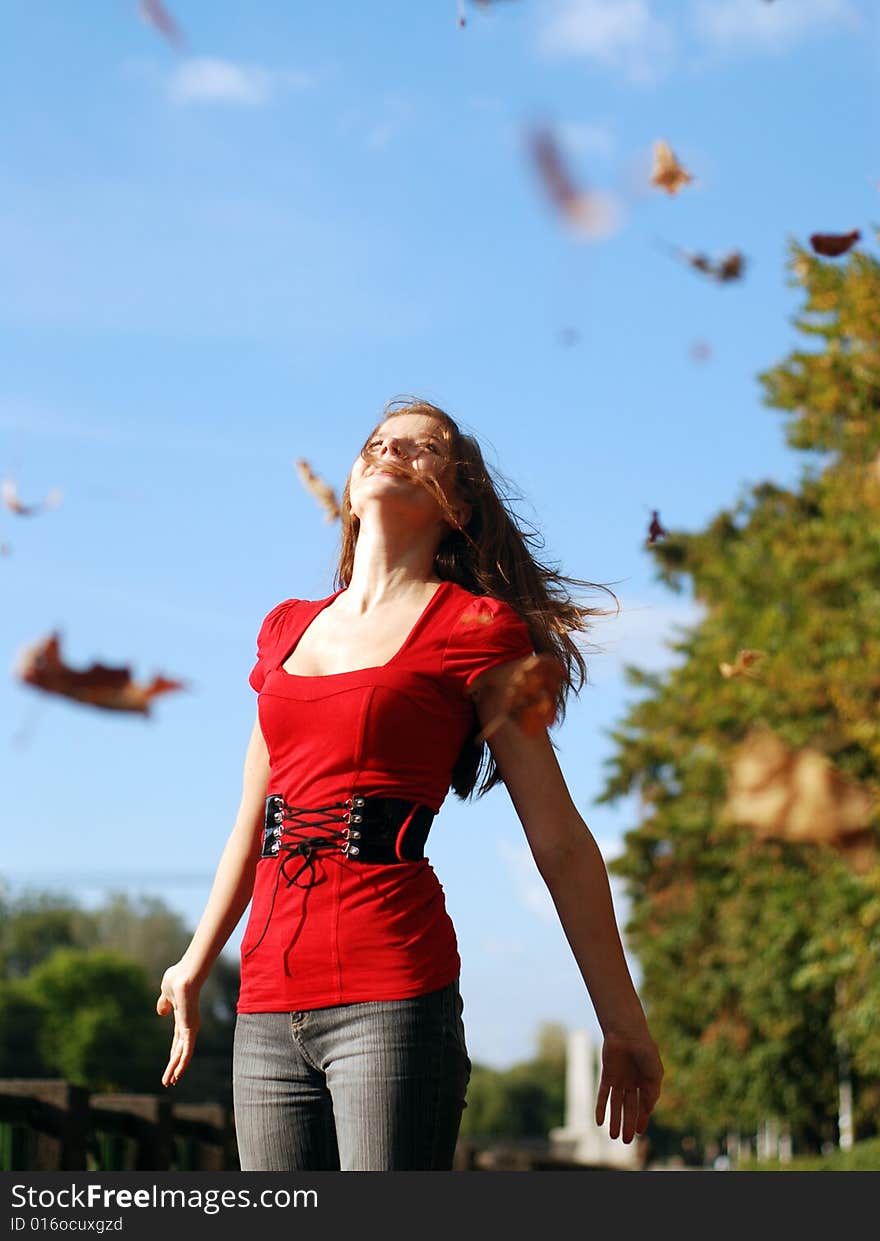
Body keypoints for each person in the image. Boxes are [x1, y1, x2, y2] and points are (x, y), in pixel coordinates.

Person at [156, 396, 664, 1171]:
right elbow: (252, 821)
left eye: (423, 448)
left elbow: (558, 837)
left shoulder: (477, 629)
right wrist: (196, 960)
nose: (392, 450)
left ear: (458, 504)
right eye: (377, 441)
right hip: (263, 1004)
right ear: (354, 479)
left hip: (391, 995)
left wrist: (620, 1019)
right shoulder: (285, 628)